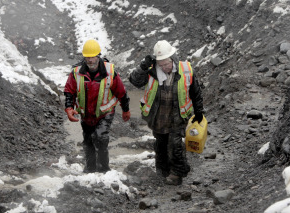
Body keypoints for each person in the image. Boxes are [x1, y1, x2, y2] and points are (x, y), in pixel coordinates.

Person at [129, 40, 204, 185]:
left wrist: (199, 111)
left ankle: (177, 174)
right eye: (161, 64)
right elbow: (134, 81)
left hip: (178, 115)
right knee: (161, 144)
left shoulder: (186, 69)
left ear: (173, 58)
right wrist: (142, 67)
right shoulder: (151, 70)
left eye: (166, 64)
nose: (164, 68)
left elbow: (196, 92)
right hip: (158, 115)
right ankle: (162, 171)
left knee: (175, 144)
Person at [64, 39, 131, 173]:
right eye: (87, 57)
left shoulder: (109, 71)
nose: (90, 60)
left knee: (100, 137)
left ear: (98, 56)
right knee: (88, 141)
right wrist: (69, 108)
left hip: (104, 113)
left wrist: (125, 109)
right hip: (86, 115)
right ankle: (90, 169)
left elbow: (121, 92)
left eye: (93, 57)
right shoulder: (76, 72)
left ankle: (104, 170)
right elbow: (69, 91)